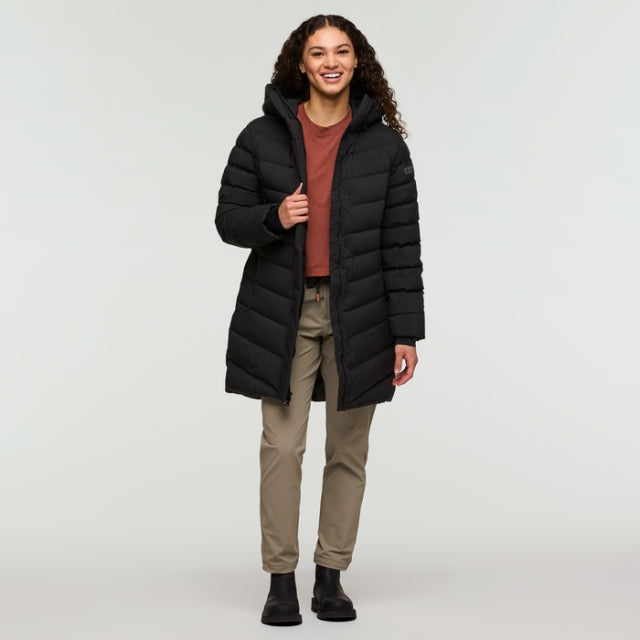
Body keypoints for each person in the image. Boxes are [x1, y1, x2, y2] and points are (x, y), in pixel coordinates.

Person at [215, 14, 424, 625]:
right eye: (318, 52)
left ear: (358, 62)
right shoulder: (262, 137)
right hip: (283, 309)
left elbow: (401, 245)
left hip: (362, 312)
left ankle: (330, 576)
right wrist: (274, 217)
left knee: (348, 449)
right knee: (282, 447)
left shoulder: (385, 147)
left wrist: (406, 332)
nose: (330, 61)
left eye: (342, 51)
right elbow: (228, 219)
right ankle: (281, 581)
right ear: (300, 64)